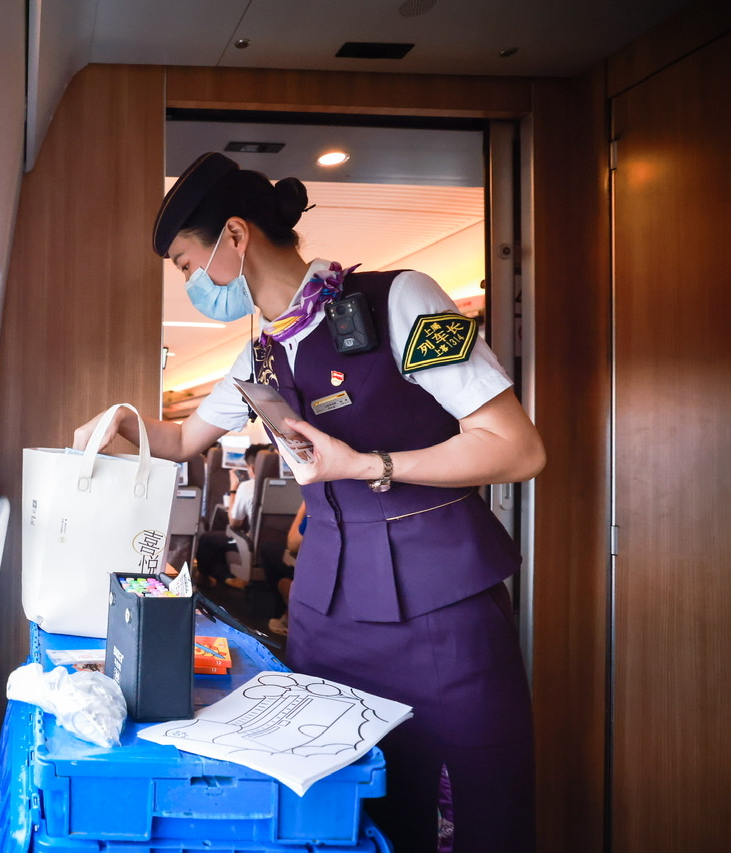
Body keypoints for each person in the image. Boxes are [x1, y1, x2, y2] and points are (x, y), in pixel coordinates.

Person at [73, 151, 545, 853]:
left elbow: (517, 446)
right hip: (327, 621)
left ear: (234, 238)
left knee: (470, 809)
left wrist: (370, 464)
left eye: (184, 264)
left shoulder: (406, 300)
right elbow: (179, 439)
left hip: (443, 618)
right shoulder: (255, 358)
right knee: (346, 811)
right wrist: (119, 424)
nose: (190, 282)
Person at [193, 444, 267, 588]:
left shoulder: (248, 487)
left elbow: (234, 523)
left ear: (251, 468)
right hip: (281, 544)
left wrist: (234, 488)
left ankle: (217, 578)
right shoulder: (297, 483)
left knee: (207, 539)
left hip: (252, 543)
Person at [262, 499, 307, 634]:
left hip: (324, 575)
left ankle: (285, 614)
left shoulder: (328, 507)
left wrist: (304, 507)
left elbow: (292, 543)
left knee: (269, 551)